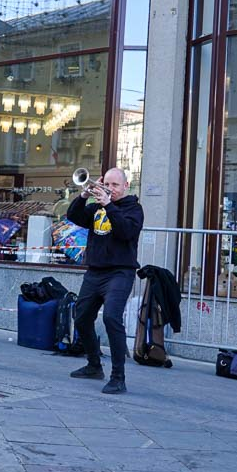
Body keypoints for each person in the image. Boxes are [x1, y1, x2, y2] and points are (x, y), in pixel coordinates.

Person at [65, 167, 144, 394]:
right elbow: (73, 216)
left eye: (115, 185)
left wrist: (109, 205)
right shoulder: (96, 207)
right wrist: (84, 194)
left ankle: (118, 376)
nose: (109, 189)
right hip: (95, 271)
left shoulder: (134, 209)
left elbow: (125, 232)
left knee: (111, 317)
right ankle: (93, 365)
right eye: (106, 184)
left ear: (126, 186)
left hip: (120, 272)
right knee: (81, 318)